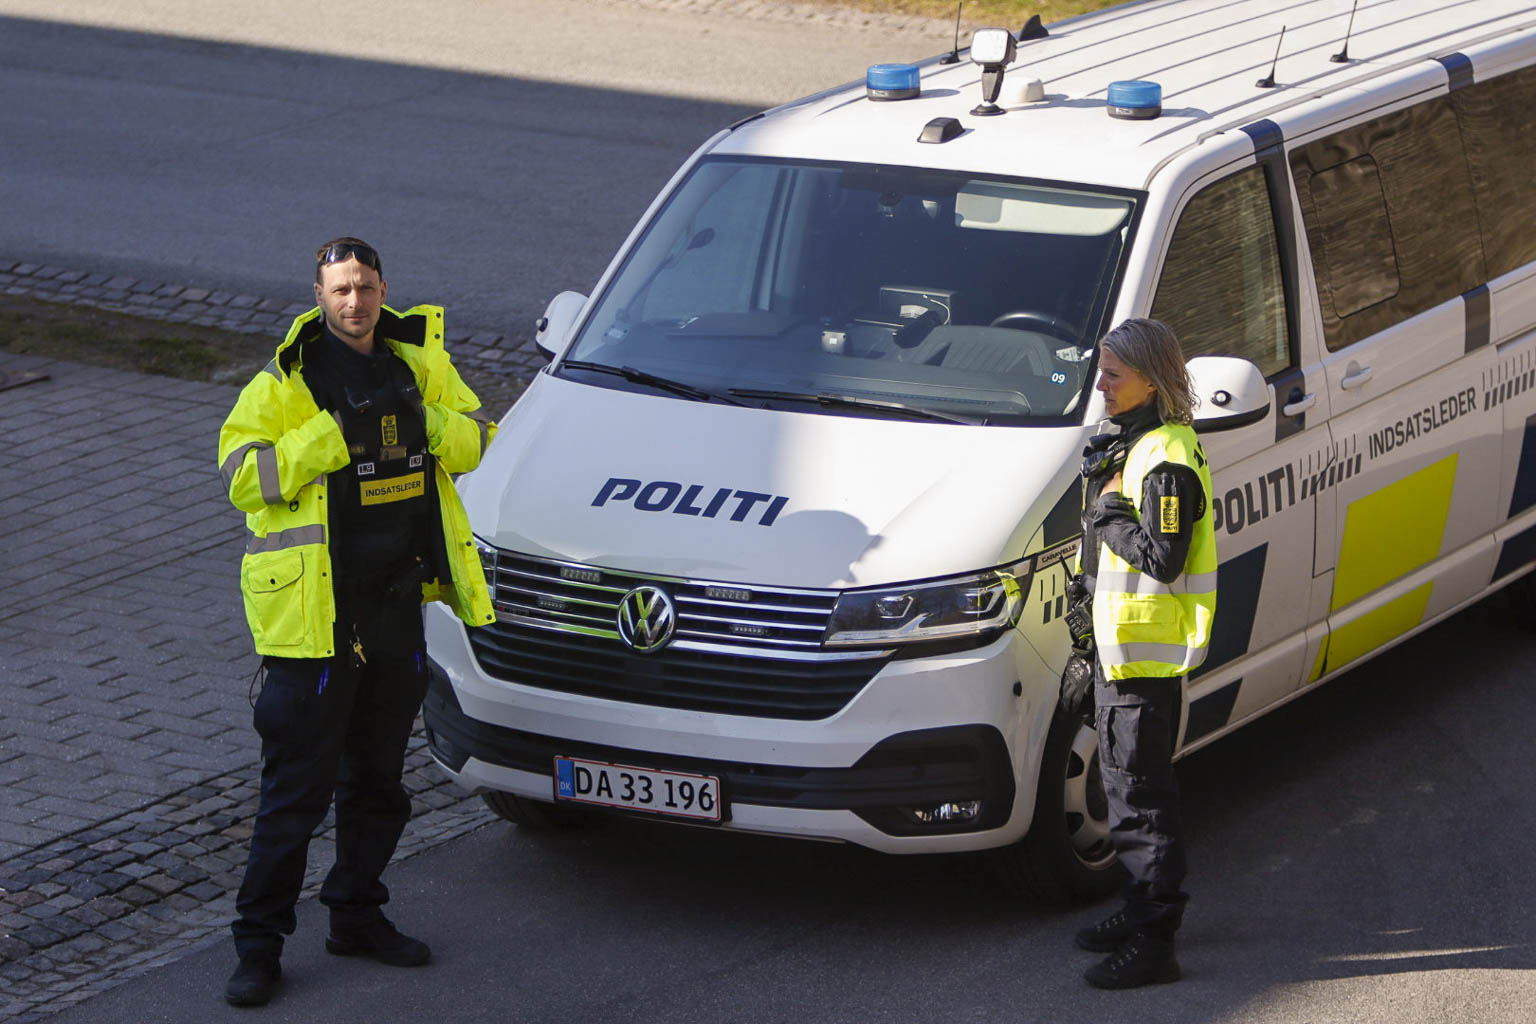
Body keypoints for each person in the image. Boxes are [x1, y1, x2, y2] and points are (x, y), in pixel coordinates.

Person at [216, 238, 496, 1007]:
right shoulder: (286, 380)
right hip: (317, 622)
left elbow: (478, 441)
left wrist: (426, 416)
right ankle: (259, 946)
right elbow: (244, 478)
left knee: (377, 783)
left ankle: (356, 915)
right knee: (295, 793)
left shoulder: (418, 363)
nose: (354, 302)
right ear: (318, 293)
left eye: (365, 287)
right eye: (340, 289)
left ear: (383, 290)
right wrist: (329, 434)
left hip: (396, 606)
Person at [1071, 318, 1216, 989]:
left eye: (1113, 375)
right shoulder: (1129, 444)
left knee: (1141, 801)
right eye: (1101, 371)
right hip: (1117, 651)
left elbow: (1162, 557)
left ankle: (1155, 940)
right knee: (1125, 791)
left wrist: (1110, 515)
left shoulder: (1164, 459)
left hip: (1144, 660)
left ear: (1151, 380)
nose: (1100, 384)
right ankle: (1136, 911)